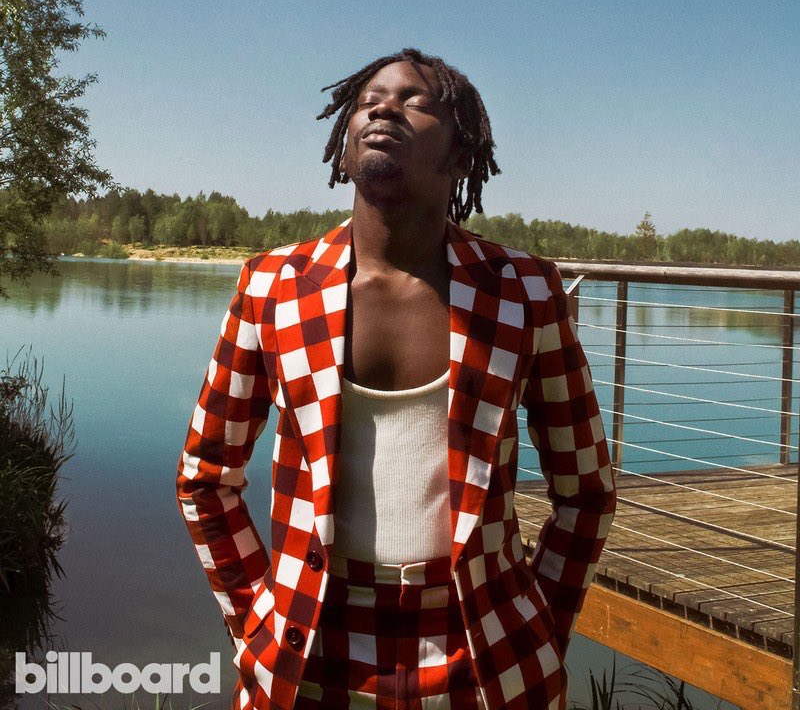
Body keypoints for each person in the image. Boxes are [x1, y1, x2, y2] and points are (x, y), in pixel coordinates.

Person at [176, 47, 616, 710]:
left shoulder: (524, 291)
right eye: (368, 101)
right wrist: (255, 622)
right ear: (344, 143)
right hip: (307, 660)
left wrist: (537, 630)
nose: (384, 109)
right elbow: (206, 478)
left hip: (484, 664)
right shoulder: (273, 286)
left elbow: (586, 492)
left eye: (416, 101)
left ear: (463, 154)